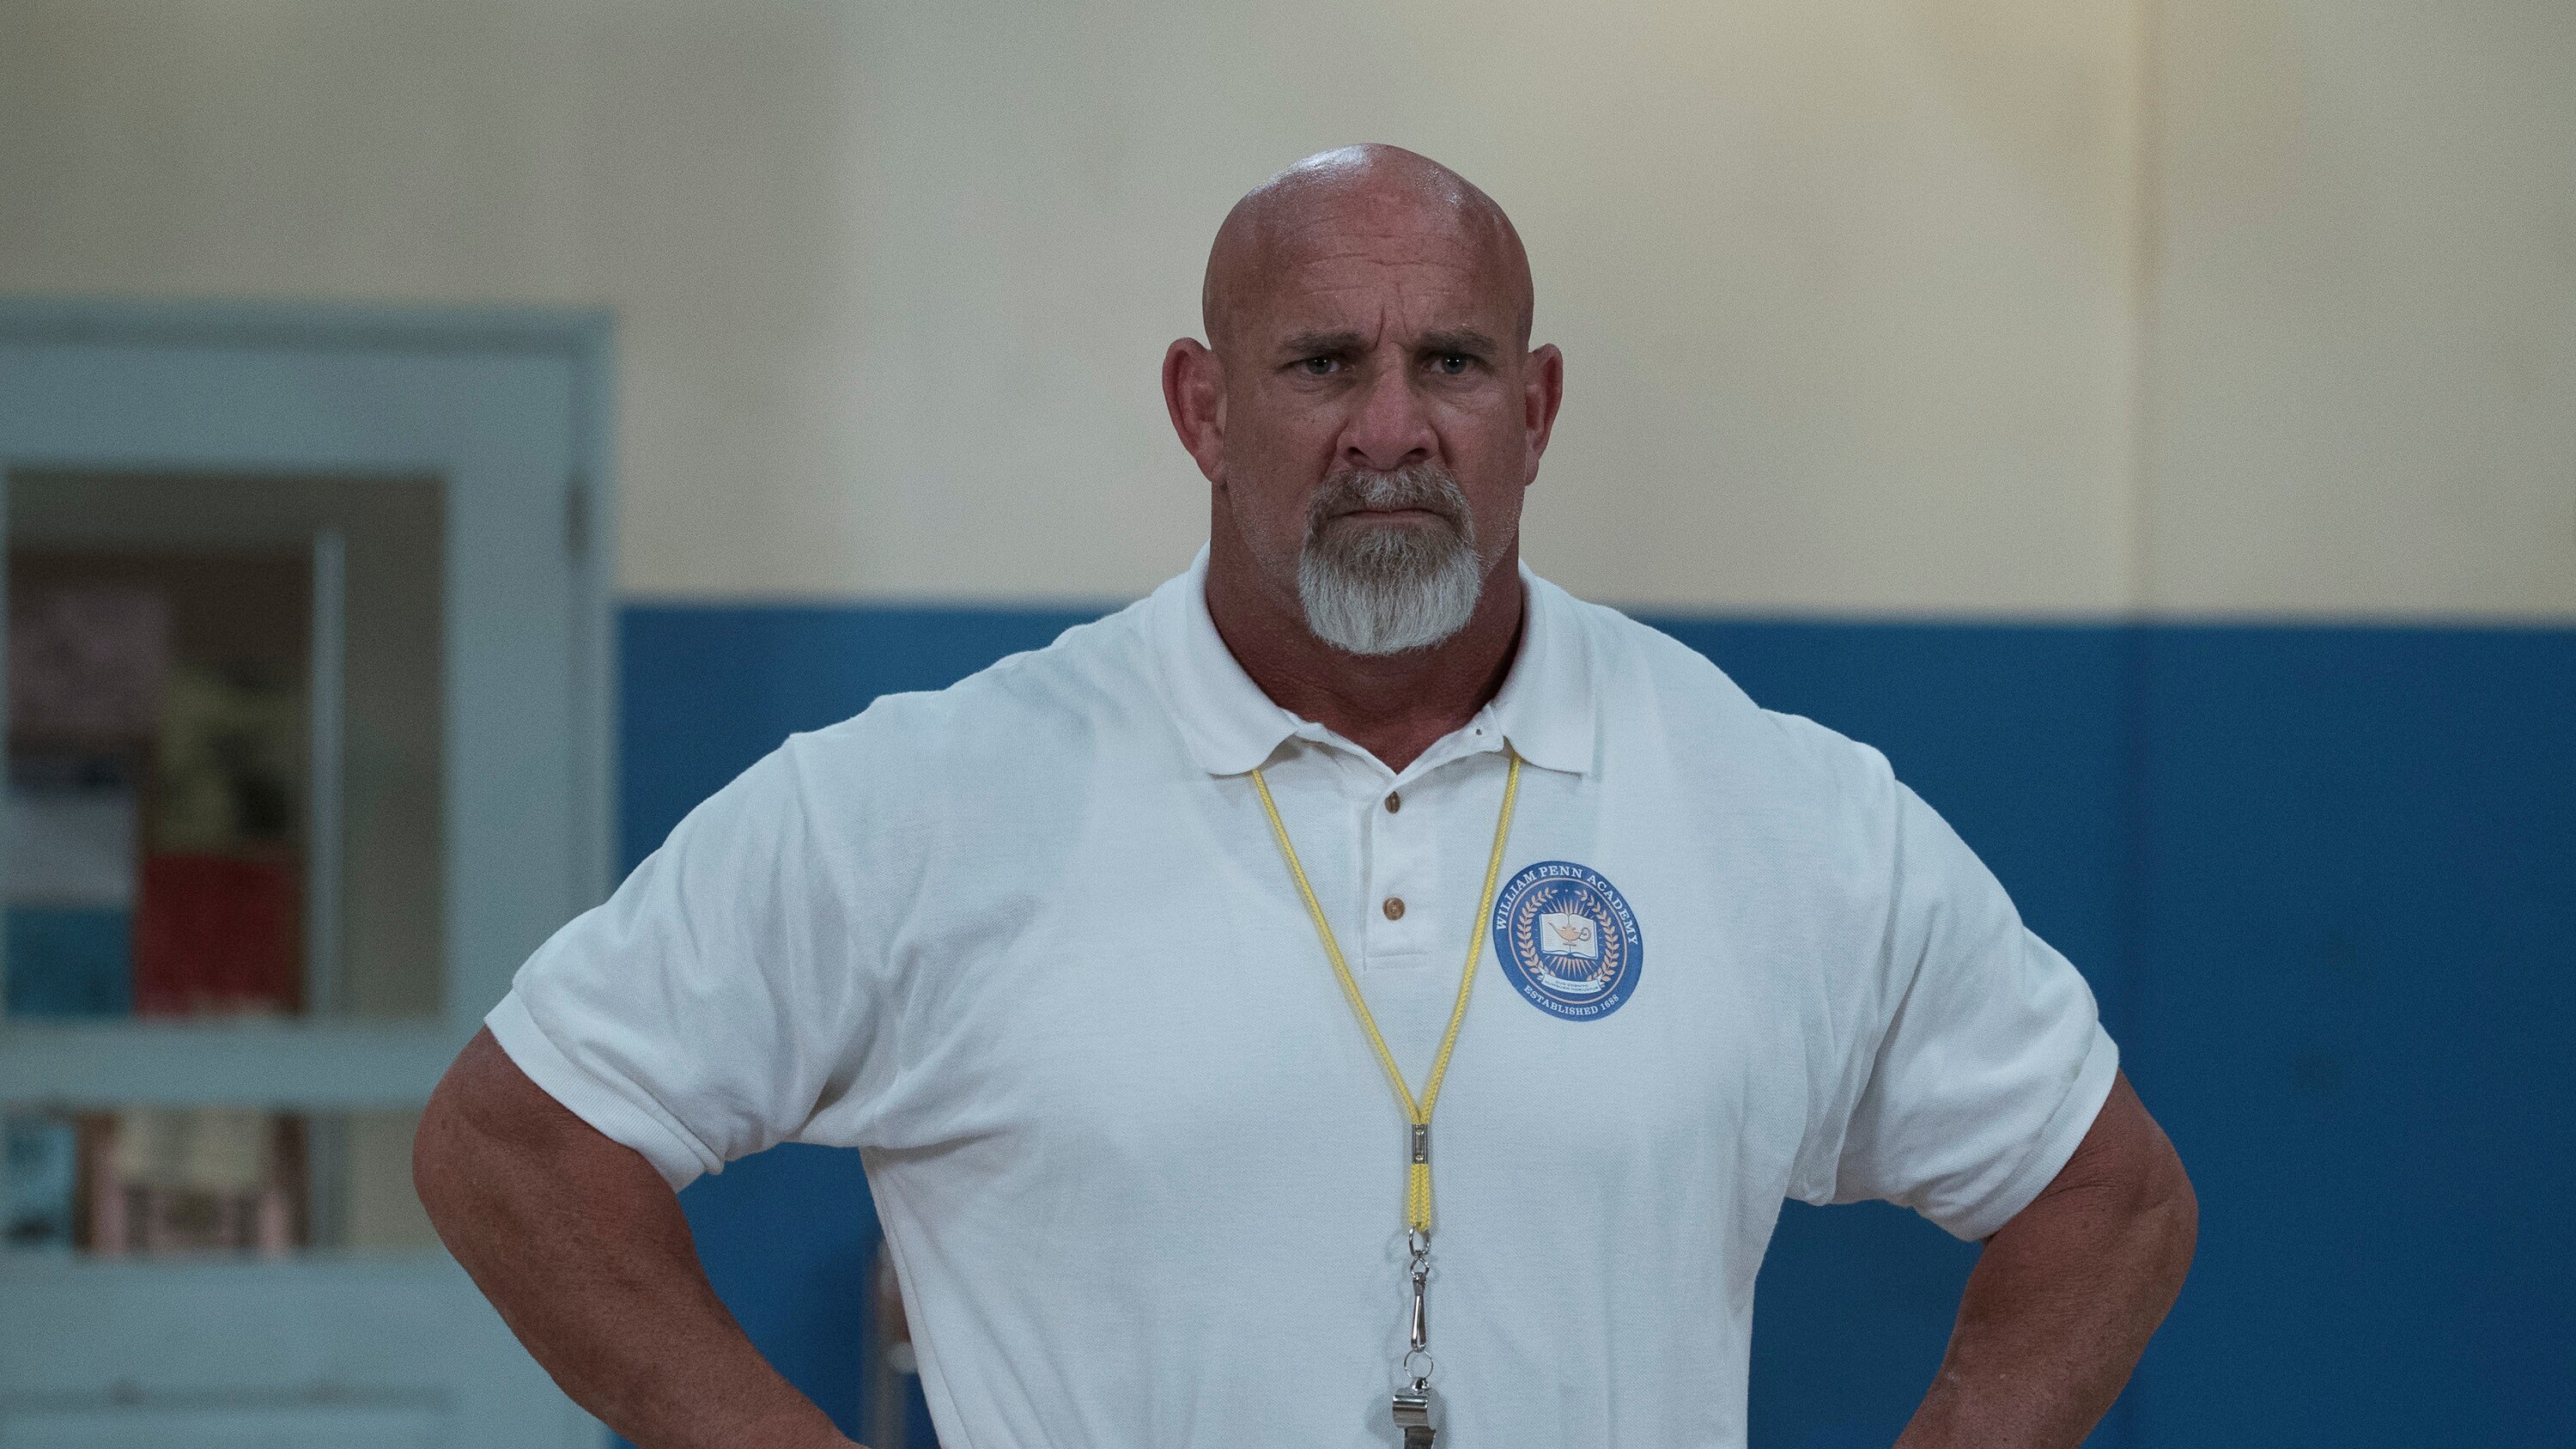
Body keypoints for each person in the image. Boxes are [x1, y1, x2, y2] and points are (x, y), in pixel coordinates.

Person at [415, 144, 2196, 1449]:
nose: (1391, 429)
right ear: (1202, 409)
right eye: (1324, 363)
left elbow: (2108, 1201)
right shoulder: (928, 802)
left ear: (1536, 410)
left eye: (1454, 365)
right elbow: (515, 1142)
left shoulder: (1774, 808)